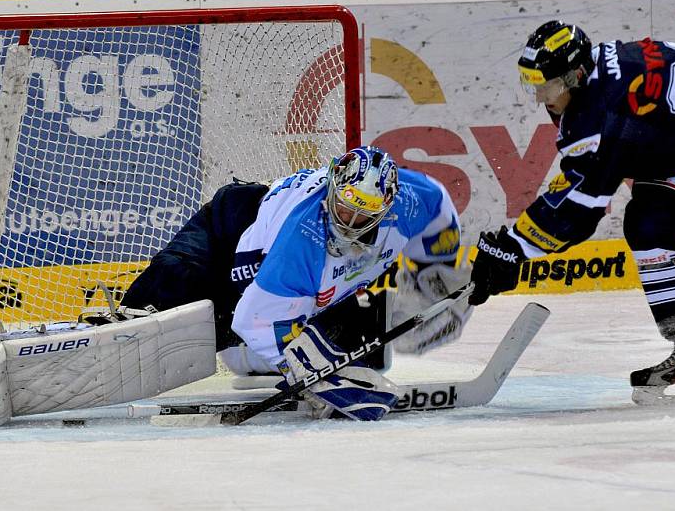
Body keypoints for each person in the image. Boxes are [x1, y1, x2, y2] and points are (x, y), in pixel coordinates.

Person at [468, 20, 675, 405]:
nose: (541, 97)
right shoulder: (598, 75)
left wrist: (514, 249)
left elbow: (579, 211)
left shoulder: (600, 115)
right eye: (534, 85)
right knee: (648, 223)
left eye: (548, 86)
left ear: (576, 74)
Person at [120, 146, 470, 421]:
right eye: (345, 208)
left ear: (387, 208)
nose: (349, 222)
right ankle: (124, 322)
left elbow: (438, 203)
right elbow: (252, 319)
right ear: (333, 188)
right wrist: (318, 377)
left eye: (364, 216)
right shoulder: (305, 235)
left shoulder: (411, 202)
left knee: (359, 348)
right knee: (181, 286)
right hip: (231, 231)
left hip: (279, 281)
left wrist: (437, 264)